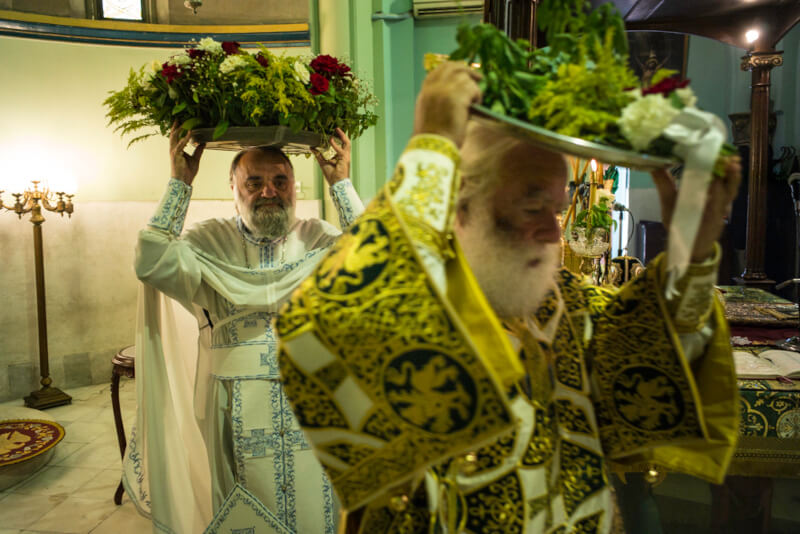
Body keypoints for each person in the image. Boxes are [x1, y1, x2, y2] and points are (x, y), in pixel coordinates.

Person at [275, 62, 742, 533]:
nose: (550, 231)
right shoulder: (417, 301)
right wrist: (432, 150)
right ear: (463, 203)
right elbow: (324, 322)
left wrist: (689, 248)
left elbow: (655, 352)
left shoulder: (564, 306)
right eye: (531, 205)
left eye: (557, 209)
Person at [124, 123, 364, 533]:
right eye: (253, 181)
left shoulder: (319, 239)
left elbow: (377, 260)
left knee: (316, 502)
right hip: (232, 398)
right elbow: (151, 262)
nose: (268, 191)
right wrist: (180, 182)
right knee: (243, 506)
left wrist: (341, 184)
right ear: (232, 188)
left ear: (295, 188)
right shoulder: (208, 241)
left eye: (280, 180)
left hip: (313, 396)